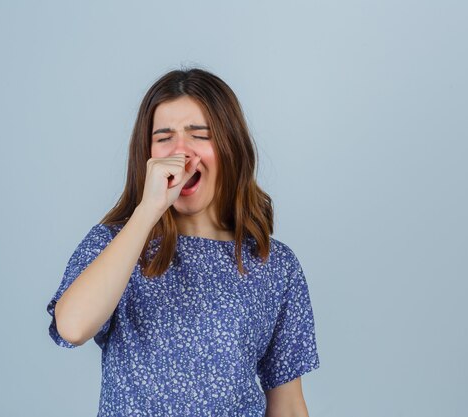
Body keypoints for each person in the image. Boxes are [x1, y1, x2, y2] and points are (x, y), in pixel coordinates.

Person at [46, 67, 320, 417]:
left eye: (199, 135)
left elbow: (289, 405)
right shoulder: (116, 243)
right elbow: (72, 328)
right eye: (164, 138)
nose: (181, 152)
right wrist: (149, 210)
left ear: (229, 147)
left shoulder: (275, 265)